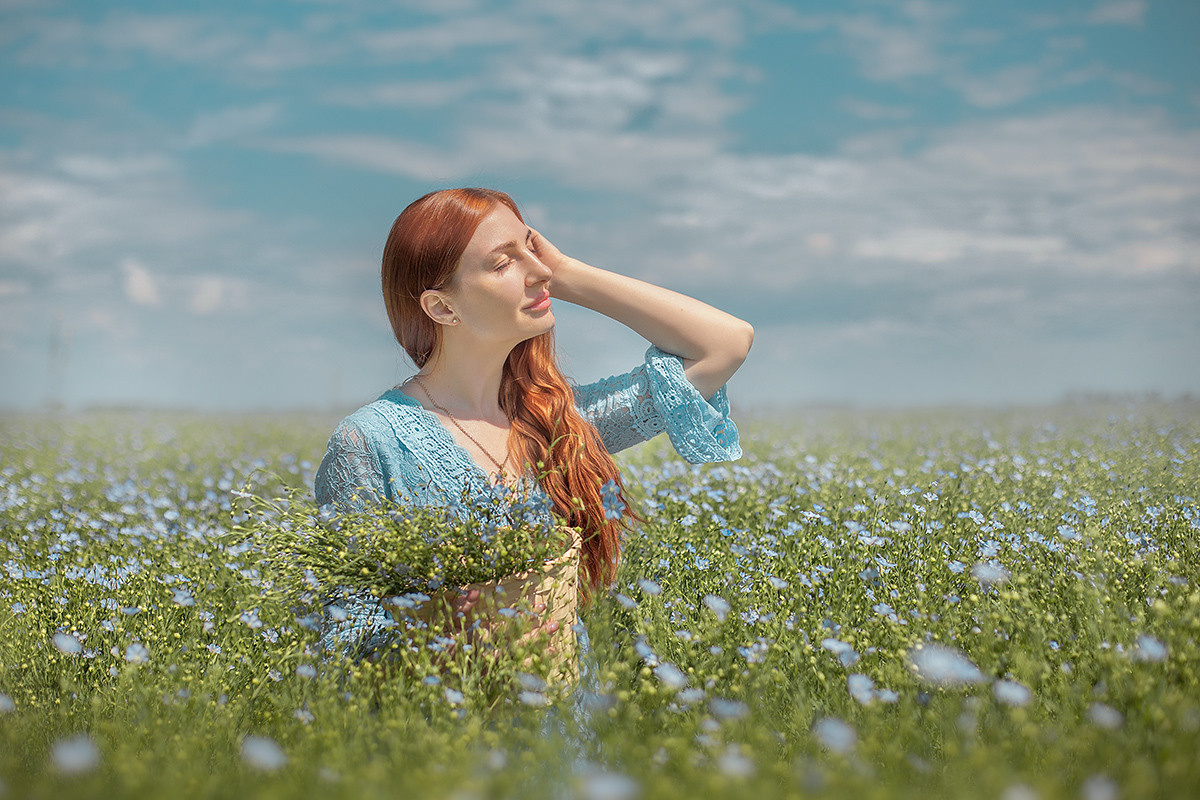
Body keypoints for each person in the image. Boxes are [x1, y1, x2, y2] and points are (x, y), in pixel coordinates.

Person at [313, 187, 752, 666]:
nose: (538, 270)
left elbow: (725, 343)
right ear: (442, 308)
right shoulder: (369, 442)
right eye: (503, 263)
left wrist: (566, 274)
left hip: (566, 731)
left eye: (532, 248)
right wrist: (451, 629)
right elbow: (341, 639)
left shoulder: (562, 420)